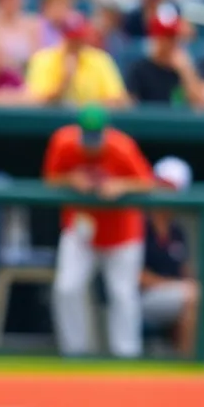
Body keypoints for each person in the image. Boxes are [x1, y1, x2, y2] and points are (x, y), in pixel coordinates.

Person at [45, 104, 155, 358]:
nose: (91, 143)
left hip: (122, 233)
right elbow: (51, 178)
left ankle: (126, 356)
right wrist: (71, 179)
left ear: (106, 132)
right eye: (87, 136)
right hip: (81, 229)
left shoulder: (122, 147)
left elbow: (148, 182)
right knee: (67, 287)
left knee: (122, 294)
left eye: (96, 136)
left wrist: (121, 185)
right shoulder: (64, 142)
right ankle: (75, 353)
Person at [140, 156, 204, 360]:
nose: (165, 193)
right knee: (198, 295)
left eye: (171, 188)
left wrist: (189, 284)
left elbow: (184, 270)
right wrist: (178, 286)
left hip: (174, 297)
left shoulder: (176, 230)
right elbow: (135, 277)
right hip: (140, 299)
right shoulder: (140, 224)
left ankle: (186, 364)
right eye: (162, 186)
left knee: (203, 297)